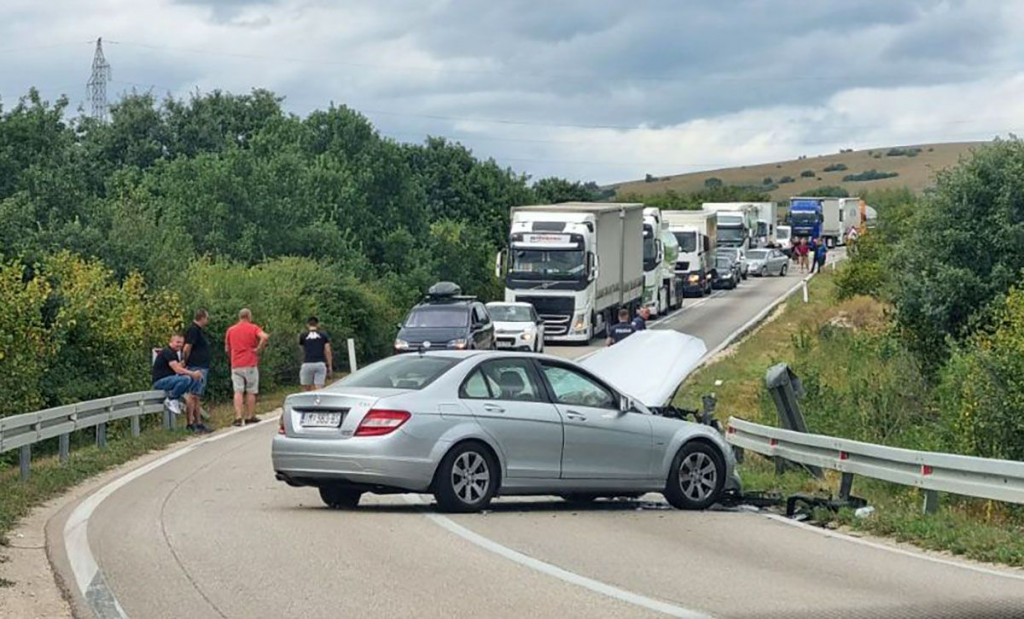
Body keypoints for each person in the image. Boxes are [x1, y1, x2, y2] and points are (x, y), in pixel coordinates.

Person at [225, 308, 270, 427]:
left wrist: (231, 357)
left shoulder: (231, 330)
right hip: (250, 362)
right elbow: (264, 337)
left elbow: (227, 348)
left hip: (236, 364)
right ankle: (250, 416)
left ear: (239, 317)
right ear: (249, 317)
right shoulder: (253, 328)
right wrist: (258, 348)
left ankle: (238, 417)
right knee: (251, 390)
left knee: (238, 391)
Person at [152, 333, 203, 416]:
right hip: (160, 381)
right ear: (171, 342)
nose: (180, 345)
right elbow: (177, 370)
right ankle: (171, 399)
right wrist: (192, 373)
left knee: (193, 380)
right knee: (186, 379)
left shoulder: (175, 353)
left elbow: (177, 368)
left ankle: (183, 400)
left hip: (170, 379)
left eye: (181, 343)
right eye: (177, 342)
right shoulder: (167, 352)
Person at [182, 308, 212, 433]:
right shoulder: (193, 330)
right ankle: (191, 423)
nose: (208, 320)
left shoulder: (198, 330)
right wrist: (185, 361)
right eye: (207, 318)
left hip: (201, 366)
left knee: (197, 395)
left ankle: (199, 422)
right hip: (196, 366)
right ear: (202, 317)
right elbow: (187, 347)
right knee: (193, 394)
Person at [299, 316, 333, 391]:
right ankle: (318, 401)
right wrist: (329, 366)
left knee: (306, 389)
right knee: (319, 388)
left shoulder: (303, 336)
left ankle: (307, 402)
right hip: (320, 363)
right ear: (318, 324)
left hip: (307, 363)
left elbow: (301, 350)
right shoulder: (324, 335)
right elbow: (328, 351)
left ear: (307, 325)